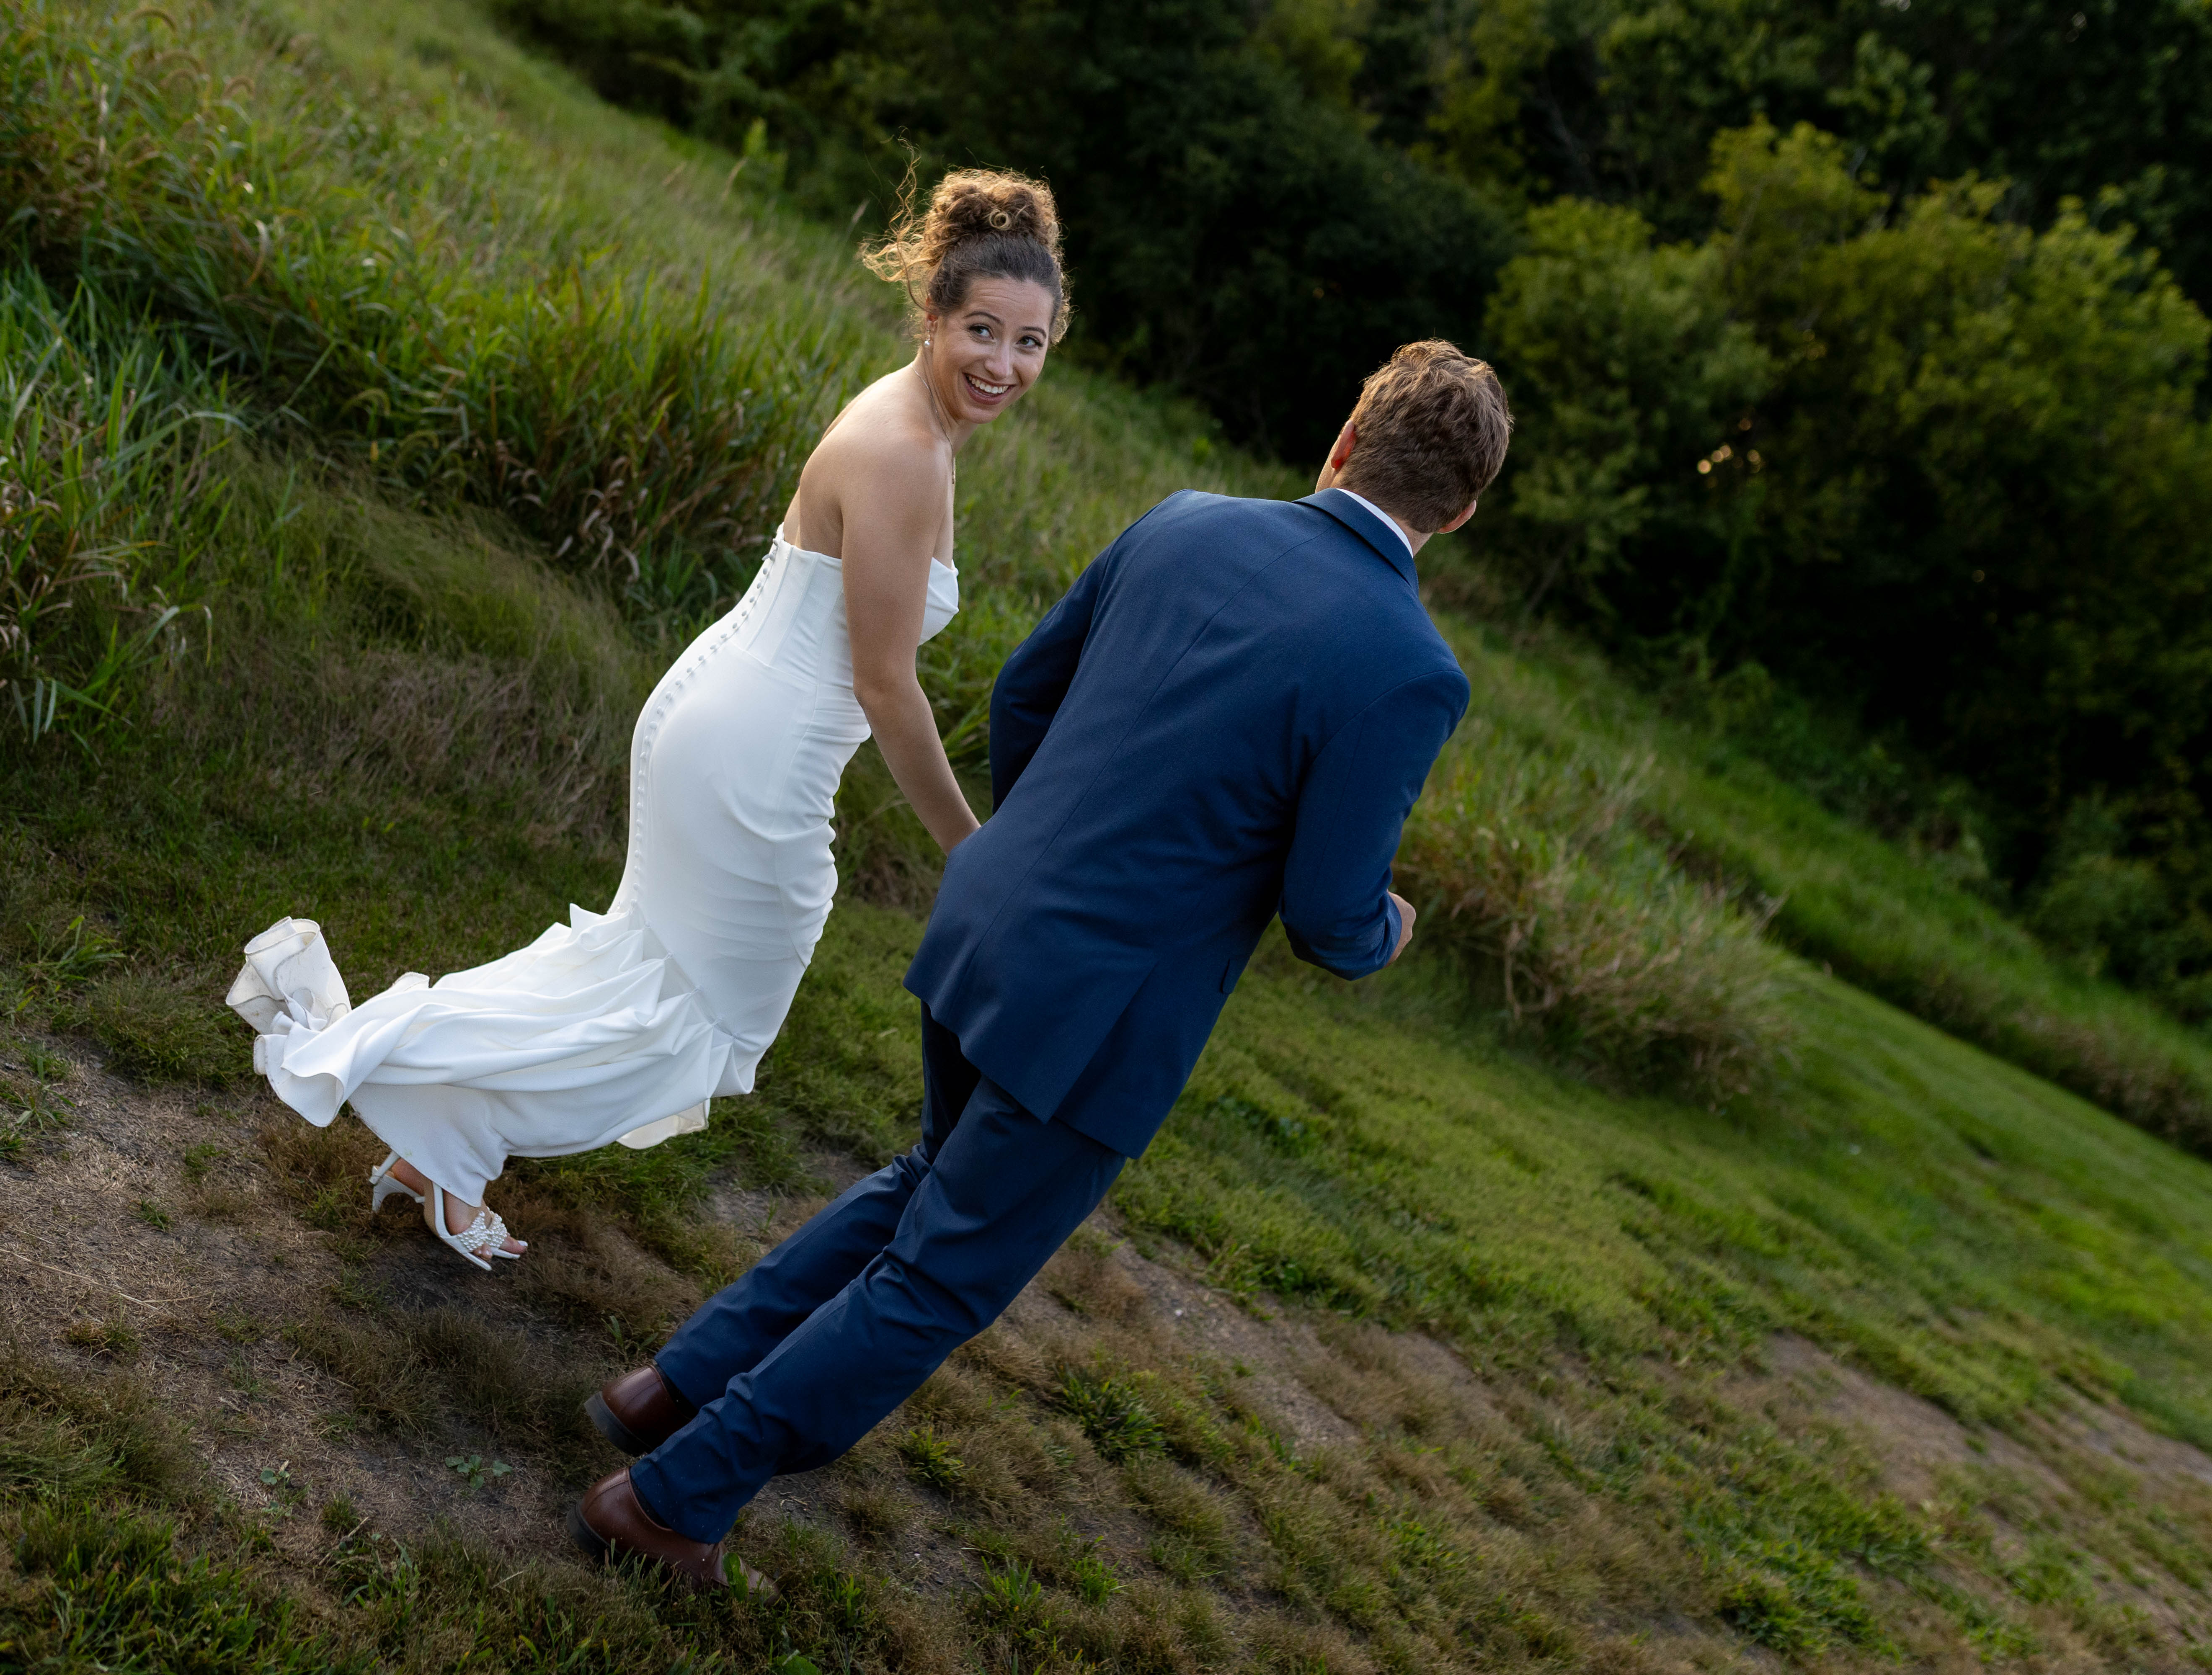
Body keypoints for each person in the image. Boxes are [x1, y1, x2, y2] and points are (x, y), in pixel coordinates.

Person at [572, 340, 1513, 1593]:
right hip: (1098, 1016)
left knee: (924, 1184)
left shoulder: (1185, 523)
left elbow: (1026, 694)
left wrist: (1042, 857)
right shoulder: (1410, 668)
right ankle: (672, 1496)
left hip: (993, 915)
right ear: (1456, 512)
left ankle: (668, 1386)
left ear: (1345, 439)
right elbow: (1327, 911)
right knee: (937, 1276)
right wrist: (1387, 928)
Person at [222, 170, 1069, 1269]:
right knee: (687, 1030)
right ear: (934, 315)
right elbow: (885, 685)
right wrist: (976, 851)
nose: (1004, 364)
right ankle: (409, 1091)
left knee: (642, 984)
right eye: (983, 332)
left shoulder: (911, 419)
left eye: (1032, 344)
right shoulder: (908, 451)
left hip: (721, 719)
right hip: (751, 762)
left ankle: (440, 1157)